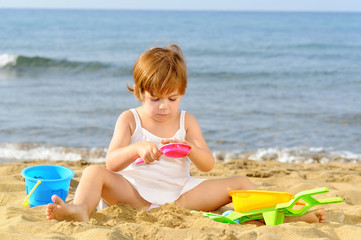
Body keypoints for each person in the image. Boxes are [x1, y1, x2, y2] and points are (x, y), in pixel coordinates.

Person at [46, 44, 325, 224]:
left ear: (182, 94)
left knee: (241, 181)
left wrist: (190, 148)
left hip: (180, 196)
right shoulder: (129, 119)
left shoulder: (186, 120)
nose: (164, 107)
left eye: (172, 98)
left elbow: (208, 164)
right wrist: (137, 148)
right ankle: (81, 208)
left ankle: (286, 216)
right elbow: (112, 163)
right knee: (95, 172)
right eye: (155, 99)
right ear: (140, 91)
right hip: (135, 195)